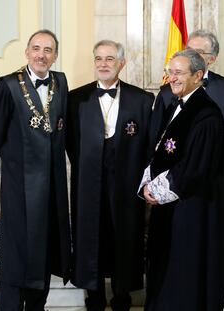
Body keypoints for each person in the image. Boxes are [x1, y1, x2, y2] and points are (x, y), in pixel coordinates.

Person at [0, 29, 71, 310]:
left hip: (52, 187)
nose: (41, 55)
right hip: (19, 187)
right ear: (27, 52)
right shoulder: (6, 86)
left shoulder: (61, 82)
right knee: (18, 253)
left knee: (43, 251)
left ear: (55, 55)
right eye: (36, 49)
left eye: (48, 50)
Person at [139, 48, 224, 311]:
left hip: (192, 210)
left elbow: (195, 167)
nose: (172, 78)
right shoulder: (175, 105)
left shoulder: (207, 115)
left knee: (184, 274)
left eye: (179, 73)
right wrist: (147, 184)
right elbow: (160, 149)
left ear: (198, 75)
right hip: (170, 208)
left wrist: (155, 190)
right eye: (170, 72)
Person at [66, 40, 154, 311]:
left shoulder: (142, 99)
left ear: (121, 63)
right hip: (87, 184)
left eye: (109, 59)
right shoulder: (75, 99)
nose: (103, 64)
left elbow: (149, 144)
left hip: (127, 185)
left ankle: (122, 299)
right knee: (91, 237)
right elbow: (70, 141)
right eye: (99, 59)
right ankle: (93, 299)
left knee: (125, 237)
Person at [151, 29, 224, 196]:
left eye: (198, 52)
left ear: (212, 59)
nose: (191, 56)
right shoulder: (166, 93)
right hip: (172, 180)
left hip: (215, 178)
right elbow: (155, 138)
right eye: (188, 50)